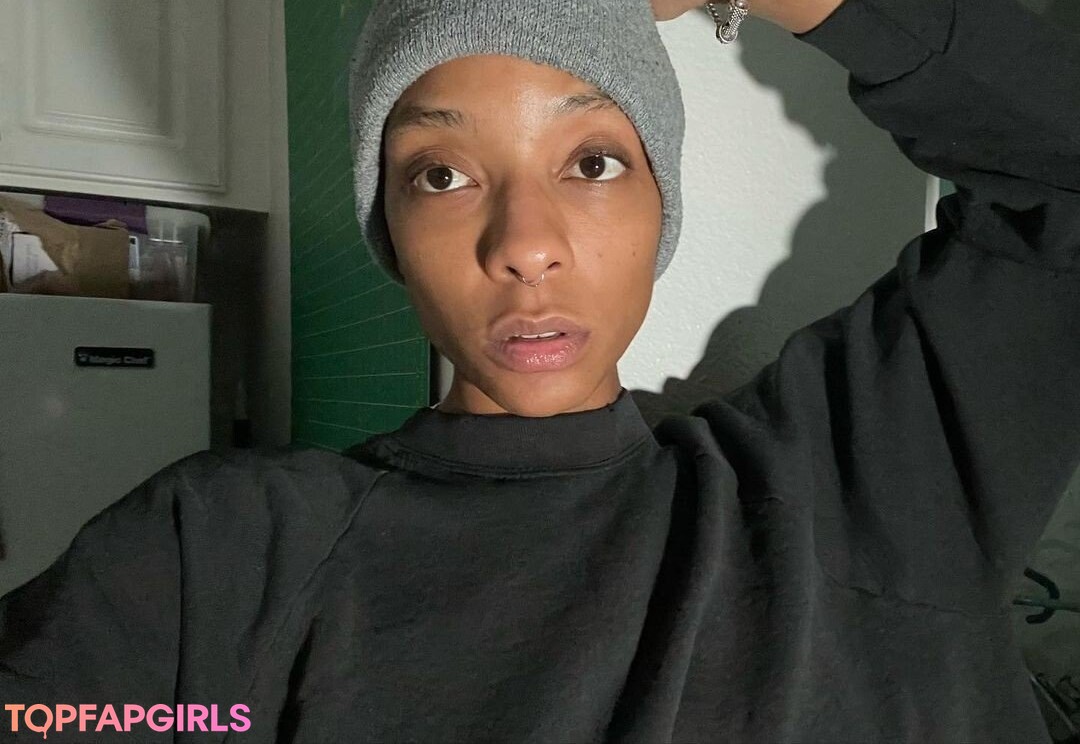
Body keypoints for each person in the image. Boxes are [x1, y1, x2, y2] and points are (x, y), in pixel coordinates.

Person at [1, 0, 1078, 741]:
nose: (524, 243)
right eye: (442, 174)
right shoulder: (220, 554)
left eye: (592, 162)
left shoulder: (872, 477)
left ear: (661, 205)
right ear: (390, 230)